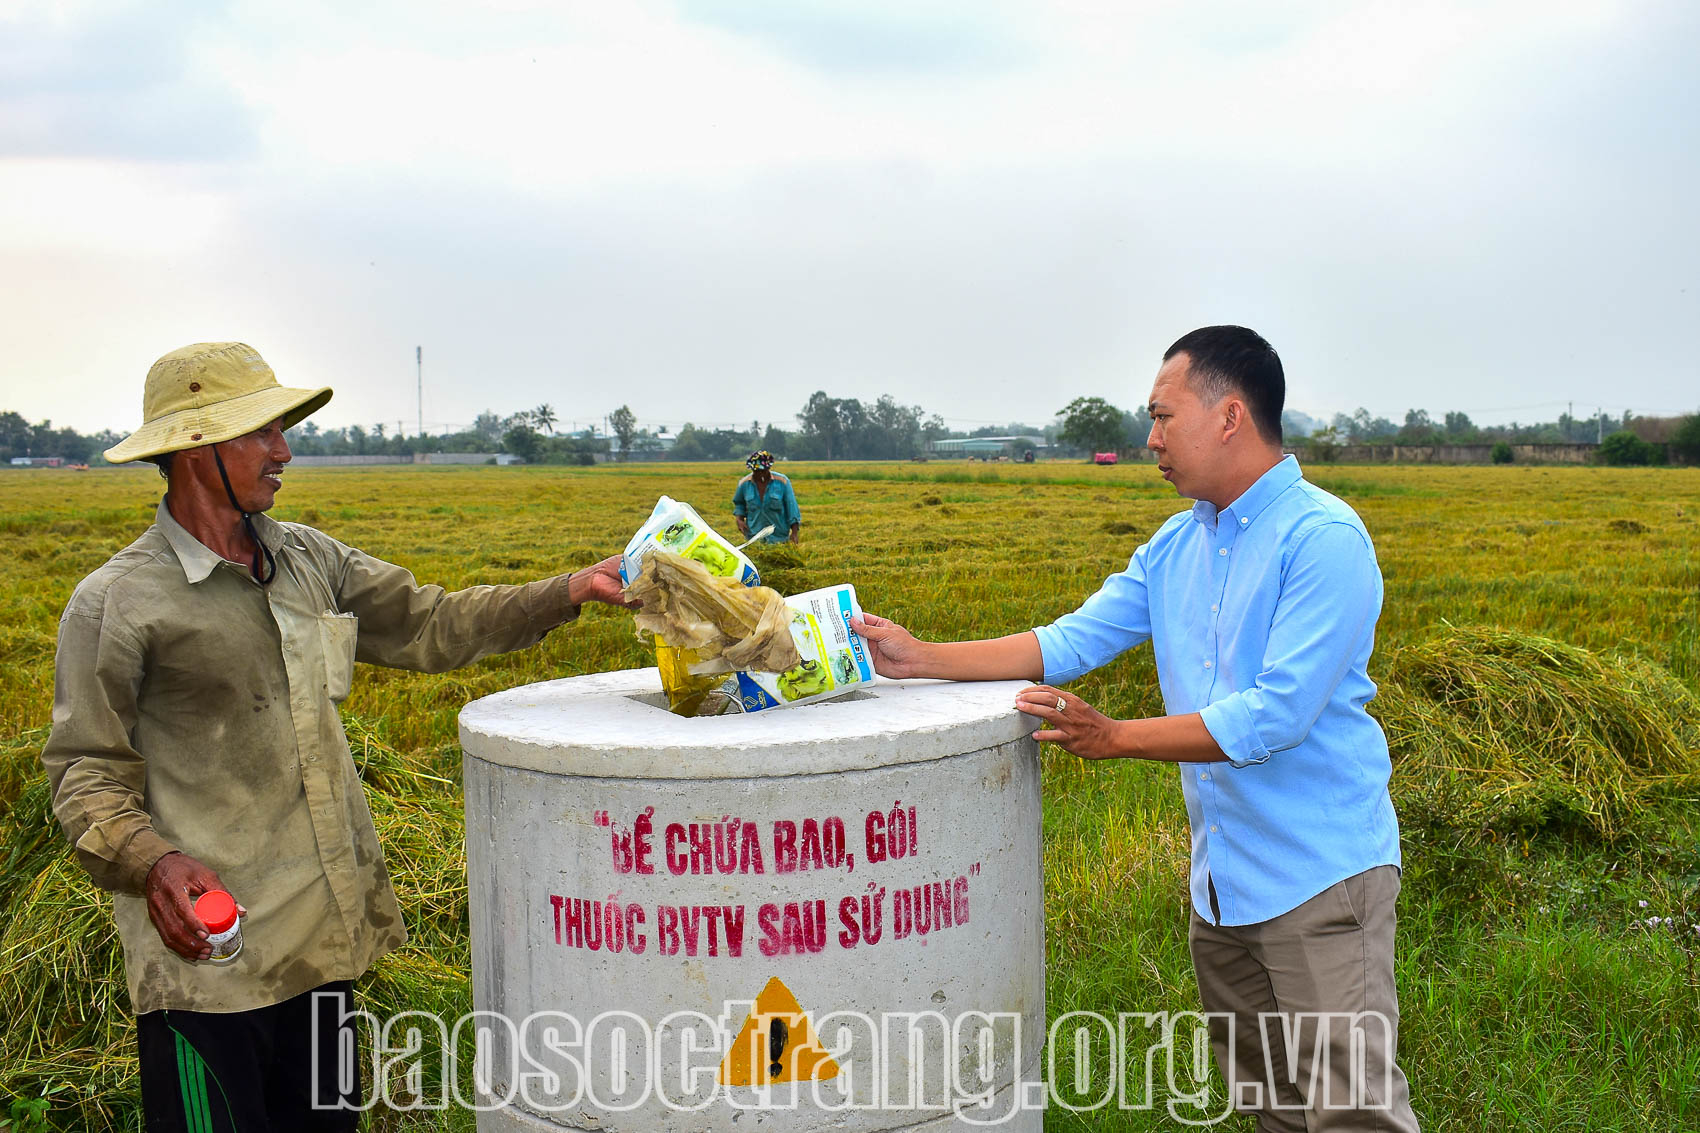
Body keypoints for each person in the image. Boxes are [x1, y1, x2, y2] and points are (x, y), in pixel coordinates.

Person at [41, 342, 633, 1132]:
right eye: (261, 432)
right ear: (195, 450)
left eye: (281, 428)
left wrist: (569, 589)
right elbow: (85, 772)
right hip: (212, 970)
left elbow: (434, 621)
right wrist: (155, 860)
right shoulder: (117, 601)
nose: (284, 450)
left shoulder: (305, 559)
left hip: (321, 950)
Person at [851, 326, 1418, 1132]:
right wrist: (915, 655)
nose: (1149, 439)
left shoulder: (1323, 539)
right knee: (1274, 1107)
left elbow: (1274, 715)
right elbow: (1069, 640)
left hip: (1320, 879)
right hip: (1225, 883)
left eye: (1162, 416)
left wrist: (1115, 736)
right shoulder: (1178, 543)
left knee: (1353, 1112)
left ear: (1229, 416)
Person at [731, 449, 800, 545]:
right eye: (757, 471)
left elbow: (791, 507)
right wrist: (739, 520)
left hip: (779, 537)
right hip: (754, 538)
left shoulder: (782, 482)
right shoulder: (744, 484)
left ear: (769, 468)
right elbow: (739, 504)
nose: (760, 474)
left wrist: (794, 533)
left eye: (763, 471)